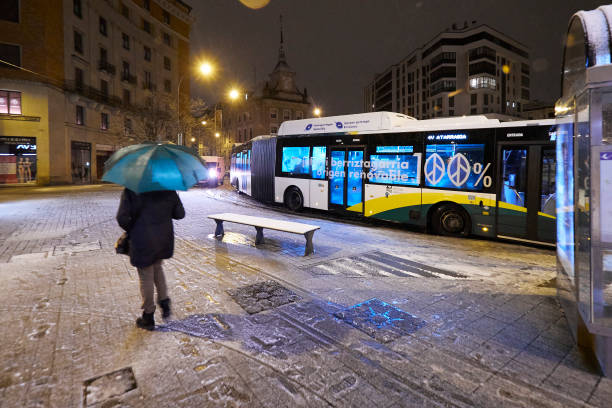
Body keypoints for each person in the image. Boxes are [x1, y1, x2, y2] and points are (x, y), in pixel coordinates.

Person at [116, 188, 185, 330]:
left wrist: (133, 228)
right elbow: (180, 214)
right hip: (162, 239)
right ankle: (164, 300)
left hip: (142, 240)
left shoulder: (131, 190)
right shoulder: (167, 188)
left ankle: (148, 315)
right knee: (157, 268)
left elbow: (122, 218)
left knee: (146, 274)